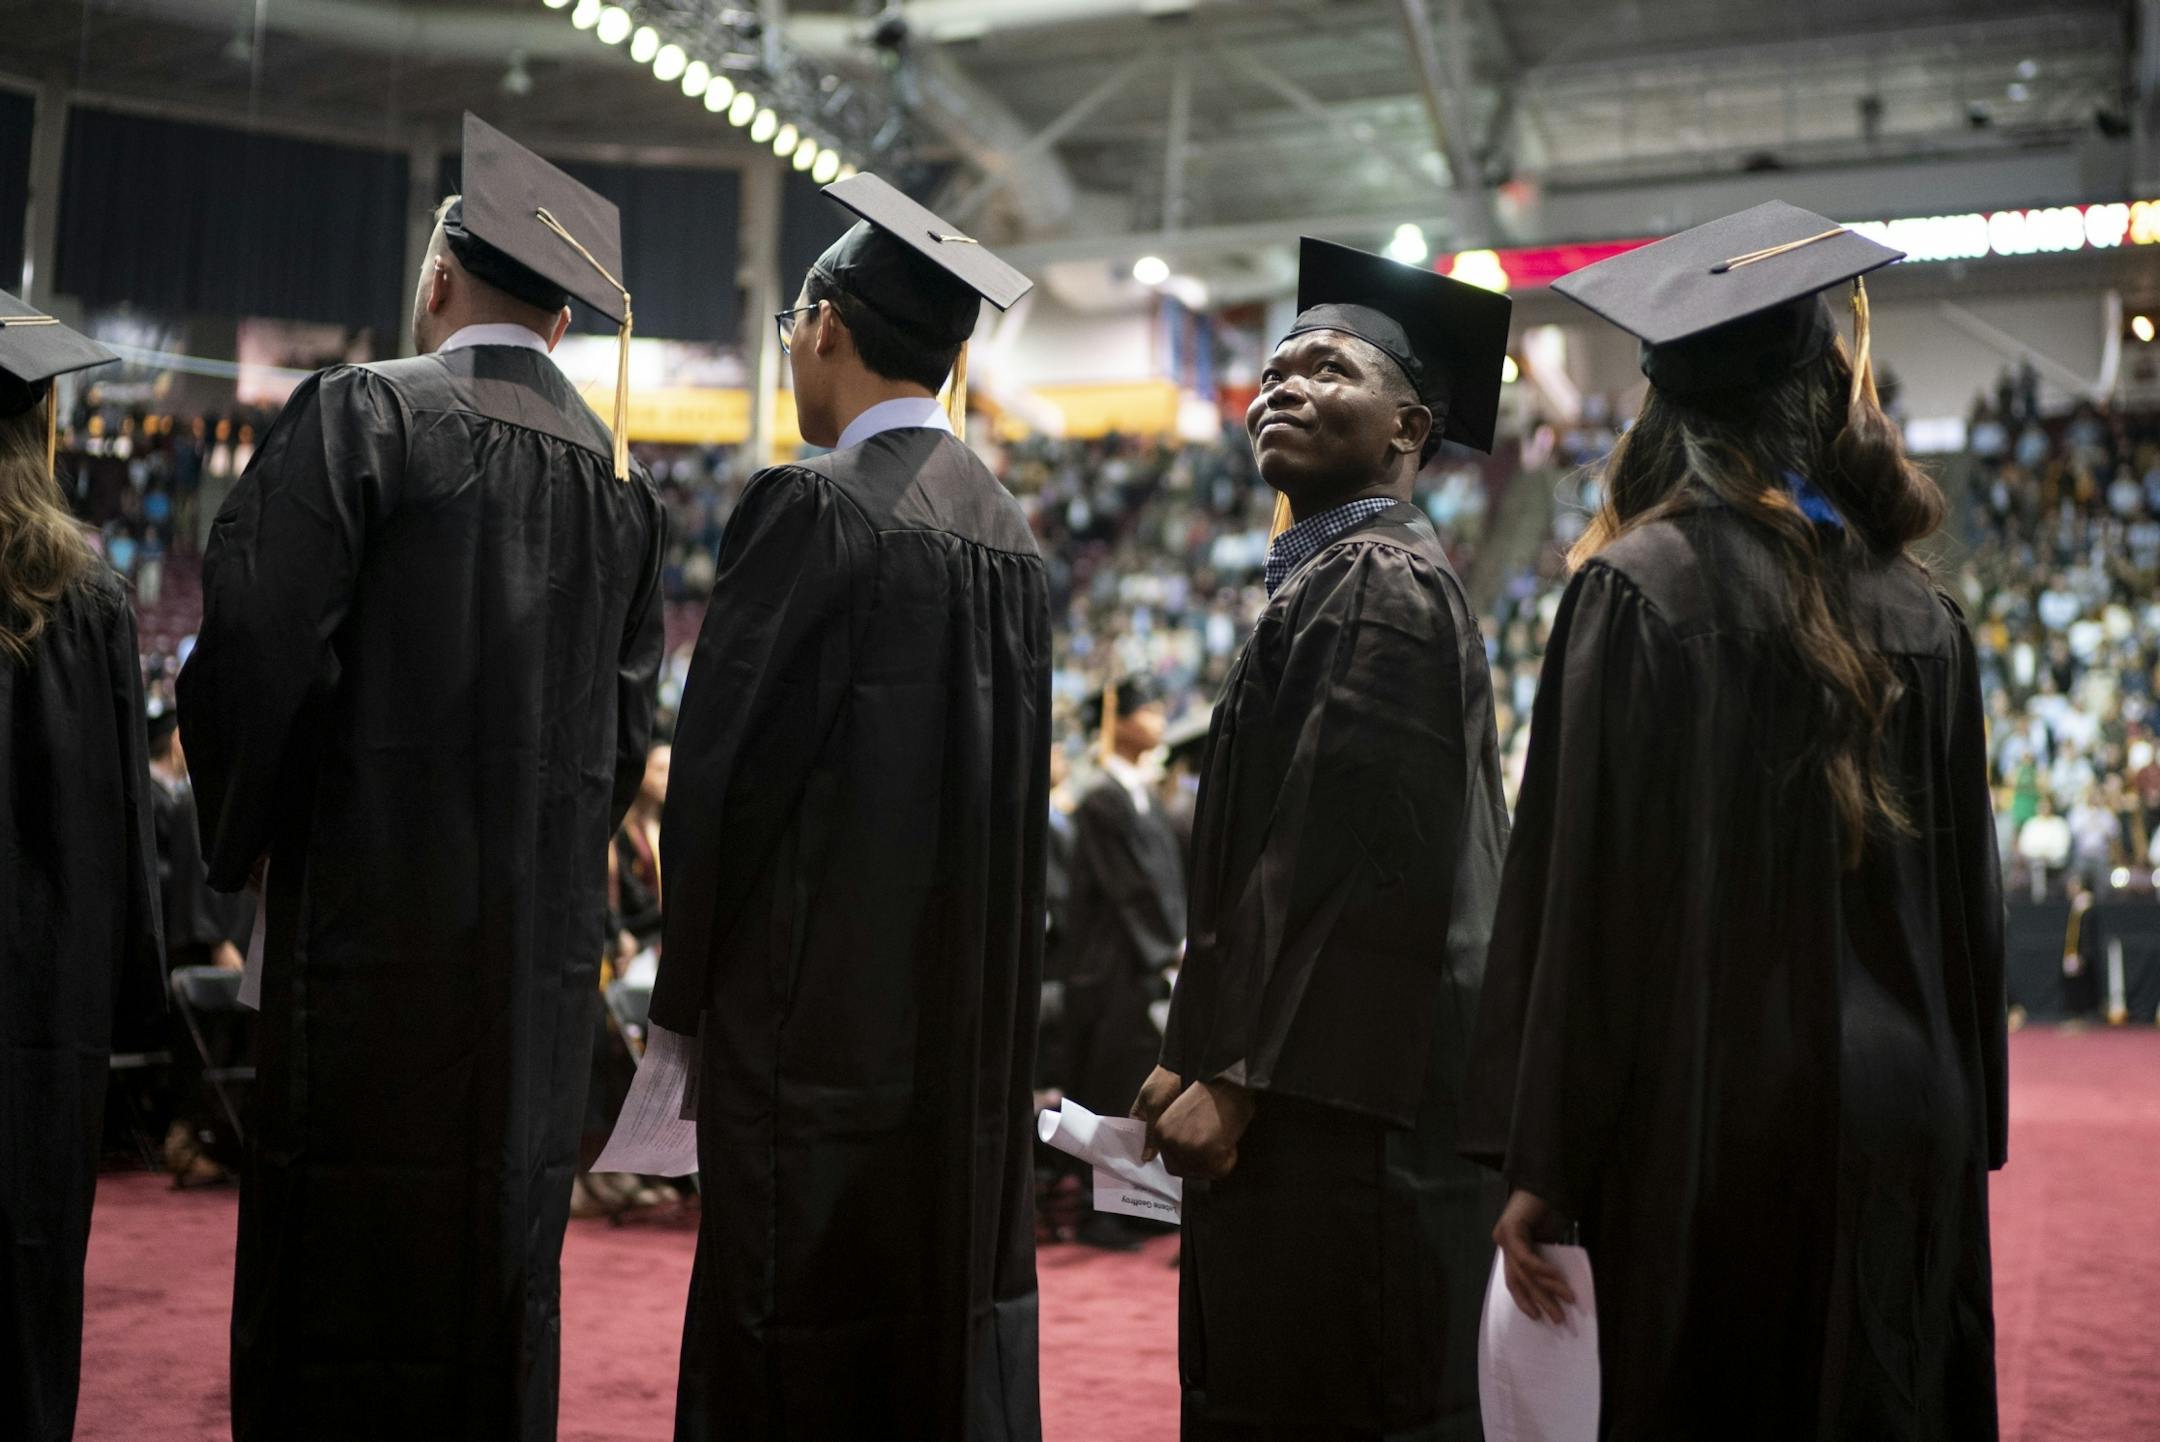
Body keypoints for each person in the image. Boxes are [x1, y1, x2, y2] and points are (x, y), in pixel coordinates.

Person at [1461, 202, 2007, 1437]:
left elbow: (1583, 899)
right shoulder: (1927, 615)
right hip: (1908, 1119)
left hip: (1715, 1123)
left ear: (1667, 409)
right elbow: (1969, 912)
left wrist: (1540, 1154)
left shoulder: (1636, 592)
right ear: (1822, 392)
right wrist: (1968, 1120)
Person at [177, 114, 666, 1442]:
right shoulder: (623, 491)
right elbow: (624, 745)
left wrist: (261, 836)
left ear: (440, 275)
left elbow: (258, 653)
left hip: (361, 943)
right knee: (498, 1254)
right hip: (529, 968)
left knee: (343, 1259)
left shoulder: (366, 412)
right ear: (563, 323)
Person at [596, 173, 1045, 1440]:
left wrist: (686, 1005)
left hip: (810, 1035)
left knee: (792, 1331)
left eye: (793, 320)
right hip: (958, 1037)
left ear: (826, 324)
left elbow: (726, 783)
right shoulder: (1008, 535)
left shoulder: (815, 508)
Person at [1132, 237, 1513, 1440]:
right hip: (1321, 1076)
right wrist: (1198, 1041)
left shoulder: (1380, 582)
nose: (1282, 385)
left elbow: (1349, 866)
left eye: (1328, 367)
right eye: (1276, 367)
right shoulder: (1334, 574)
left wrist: (1235, 1082)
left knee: (1338, 1386)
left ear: (1410, 425)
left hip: (1349, 1104)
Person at [0, 296, 164, 1442]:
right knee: (28, 1284)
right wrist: (128, 1001)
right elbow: (120, 825)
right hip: (38, 1011)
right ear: (45, 414)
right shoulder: (89, 596)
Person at [1064, 676, 1185, 1249]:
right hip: (1111, 965)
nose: (1158, 717)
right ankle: (1100, 1214)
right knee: (1110, 1082)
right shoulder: (1101, 797)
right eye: (1147, 708)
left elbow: (1166, 882)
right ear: (1118, 720)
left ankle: (1137, 1205)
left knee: (1135, 1078)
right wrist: (1167, 947)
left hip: (1144, 962)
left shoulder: (1140, 793)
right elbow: (1127, 889)